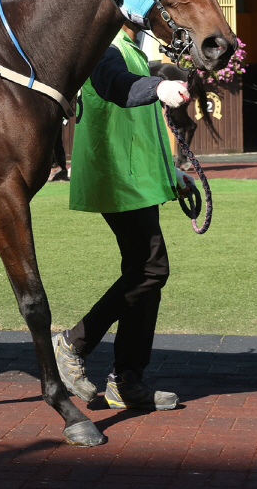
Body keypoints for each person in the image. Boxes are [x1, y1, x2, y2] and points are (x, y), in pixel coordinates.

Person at [53, 25, 195, 412]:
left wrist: (173, 172)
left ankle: (127, 381)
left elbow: (141, 130)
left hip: (139, 178)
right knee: (152, 270)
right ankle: (73, 342)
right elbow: (117, 86)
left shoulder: (131, 47)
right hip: (118, 178)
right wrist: (159, 87)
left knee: (144, 275)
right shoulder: (104, 44)